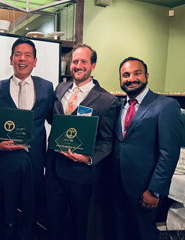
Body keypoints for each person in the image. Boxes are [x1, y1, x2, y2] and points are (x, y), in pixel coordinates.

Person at [45, 43, 119, 240]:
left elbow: (107, 141)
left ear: (92, 66)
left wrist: (88, 158)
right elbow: (54, 120)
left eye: (83, 62)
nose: (78, 65)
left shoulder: (107, 101)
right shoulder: (60, 89)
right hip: (54, 169)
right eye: (75, 61)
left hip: (81, 173)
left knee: (79, 225)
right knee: (52, 222)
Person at [0, 37, 54, 240]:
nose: (22, 58)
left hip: (35, 161)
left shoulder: (47, 87)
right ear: (11, 59)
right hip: (7, 160)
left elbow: (53, 119)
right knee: (7, 209)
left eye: (27, 55)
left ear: (35, 61)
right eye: (18, 54)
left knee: (32, 210)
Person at [113, 57, 183, 240]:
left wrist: (155, 191)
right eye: (125, 75)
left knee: (143, 235)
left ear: (146, 76)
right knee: (120, 233)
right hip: (117, 186)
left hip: (144, 190)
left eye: (137, 73)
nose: (131, 78)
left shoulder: (166, 106)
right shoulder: (121, 106)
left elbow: (169, 153)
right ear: (120, 79)